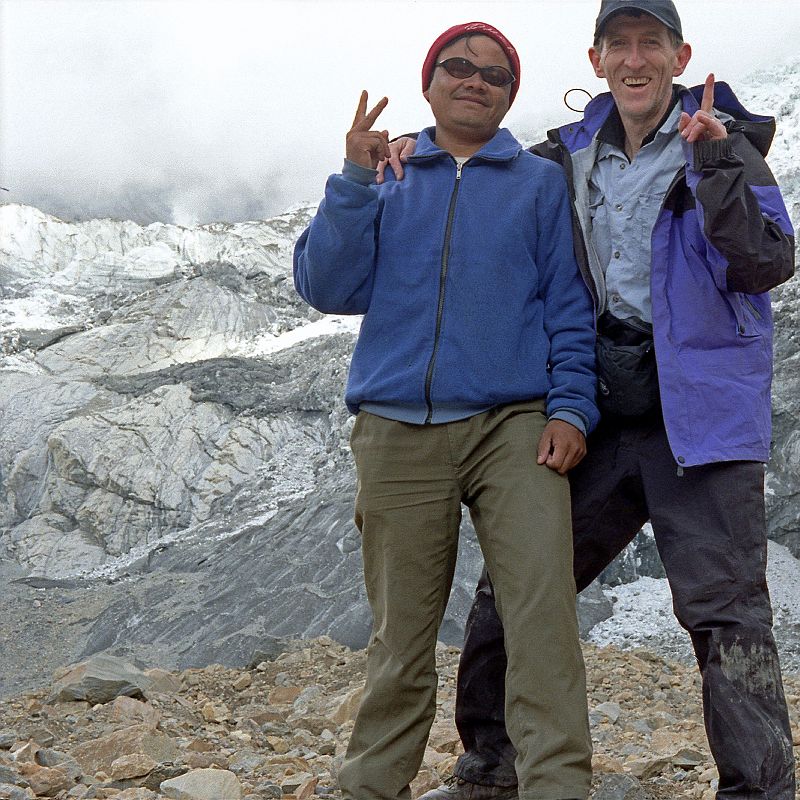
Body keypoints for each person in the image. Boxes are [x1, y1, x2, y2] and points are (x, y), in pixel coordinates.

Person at [414, 1, 800, 798]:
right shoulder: (564, 157)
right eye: (617, 45)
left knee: (725, 616)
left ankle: (758, 792)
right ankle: (489, 772)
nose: (634, 60)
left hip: (699, 419)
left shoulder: (727, 147)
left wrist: (719, 163)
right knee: (516, 593)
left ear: (678, 55)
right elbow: (478, 201)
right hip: (594, 411)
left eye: (649, 45)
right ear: (595, 60)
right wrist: (399, 164)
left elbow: (763, 263)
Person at [293, 22, 598, 800]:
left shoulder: (535, 182)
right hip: (397, 424)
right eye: (457, 68)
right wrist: (353, 180)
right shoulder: (387, 175)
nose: (474, 80)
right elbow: (326, 287)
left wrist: (570, 408)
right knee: (401, 632)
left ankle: (557, 785)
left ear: (508, 96)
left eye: (493, 75)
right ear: (428, 83)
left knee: (541, 616)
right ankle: (371, 785)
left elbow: (567, 302)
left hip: (514, 424)